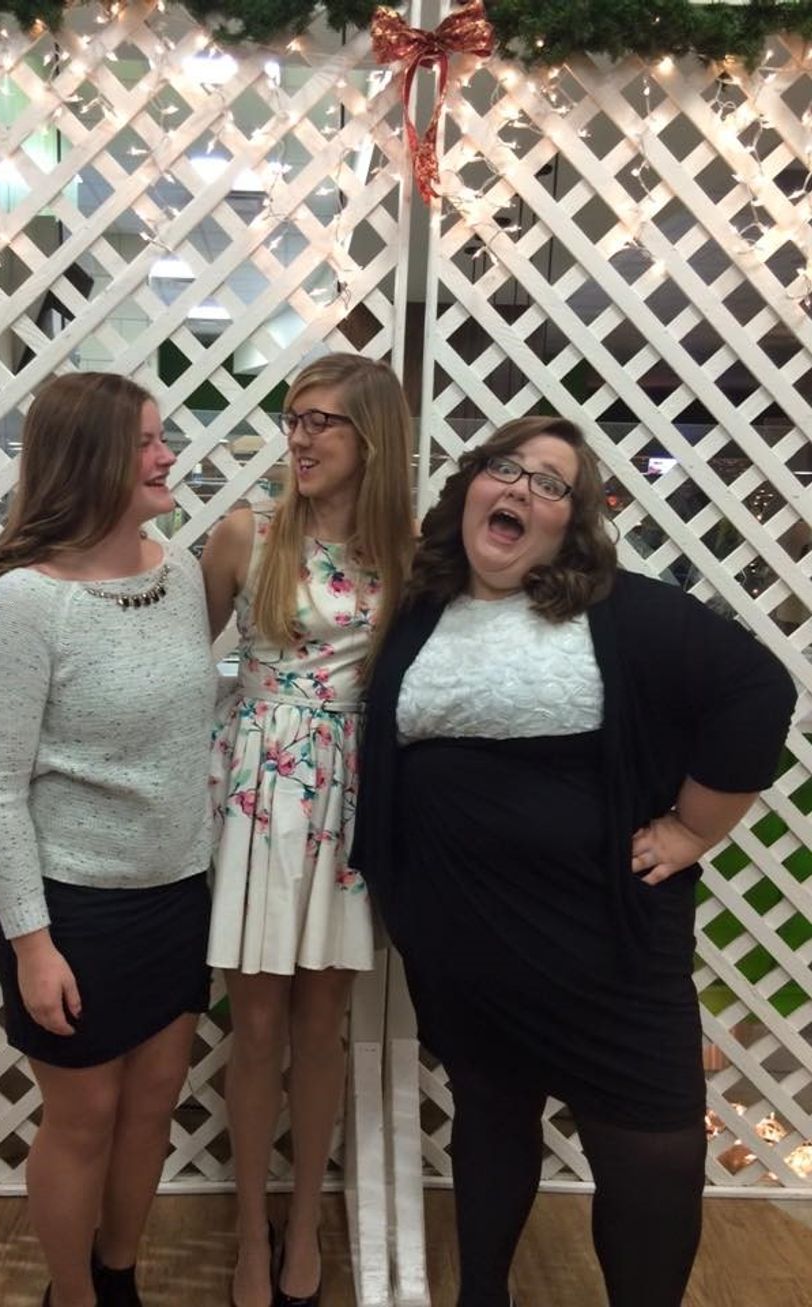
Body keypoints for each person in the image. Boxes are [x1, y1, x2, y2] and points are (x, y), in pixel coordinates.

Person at [351, 415, 796, 1307]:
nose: (519, 488)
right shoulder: (424, 609)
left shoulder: (622, 610)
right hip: (467, 944)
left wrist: (692, 829)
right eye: (503, 467)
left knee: (652, 1148)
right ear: (470, 489)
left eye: (549, 482)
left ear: (573, 520)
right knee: (490, 1115)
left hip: (605, 947)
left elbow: (759, 688)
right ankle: (483, 1294)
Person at [0, 372, 217, 1307]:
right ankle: (70, 1295)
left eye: (162, 436)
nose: (167, 455)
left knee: (151, 1107)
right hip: (73, 911)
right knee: (83, 1118)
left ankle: (119, 1276)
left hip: (177, 893)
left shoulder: (182, 573)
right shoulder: (23, 605)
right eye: (145, 441)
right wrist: (32, 943)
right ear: (91, 460)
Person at [202, 353, 414, 1307]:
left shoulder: (409, 554)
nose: (301, 435)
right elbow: (174, 669)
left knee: (322, 1025)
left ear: (373, 437)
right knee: (254, 1026)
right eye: (294, 418)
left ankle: (304, 1224)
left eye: (323, 420)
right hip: (255, 789)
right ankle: (251, 1231)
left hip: (347, 795)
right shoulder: (246, 532)